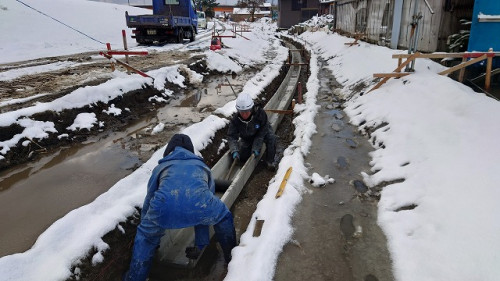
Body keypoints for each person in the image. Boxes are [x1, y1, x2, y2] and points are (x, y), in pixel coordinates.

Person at [124, 134, 237, 281]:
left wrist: (149, 230)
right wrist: (200, 244)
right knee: (223, 216)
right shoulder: (202, 166)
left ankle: (135, 278)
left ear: (169, 151)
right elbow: (203, 206)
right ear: (190, 151)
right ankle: (232, 258)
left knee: (145, 238)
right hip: (199, 203)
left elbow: (150, 199)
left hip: (163, 207)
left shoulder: (161, 167)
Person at [227, 93, 277, 170]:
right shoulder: (236, 120)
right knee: (243, 156)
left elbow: (261, 133)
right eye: (242, 112)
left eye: (246, 111)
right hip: (247, 136)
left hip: (262, 132)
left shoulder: (260, 114)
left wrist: (256, 147)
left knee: (271, 138)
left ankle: (270, 161)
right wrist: (234, 150)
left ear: (251, 108)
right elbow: (231, 136)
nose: (244, 114)